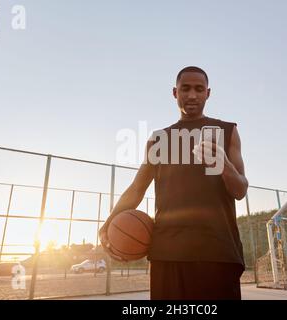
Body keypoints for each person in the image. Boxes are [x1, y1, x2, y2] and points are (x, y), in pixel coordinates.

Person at [99, 66, 248, 300]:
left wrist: (225, 166)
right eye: (185, 88)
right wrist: (108, 223)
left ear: (208, 93)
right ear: (174, 92)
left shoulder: (226, 131)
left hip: (217, 250)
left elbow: (240, 190)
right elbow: (137, 188)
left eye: (199, 89)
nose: (192, 95)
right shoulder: (159, 140)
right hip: (168, 251)